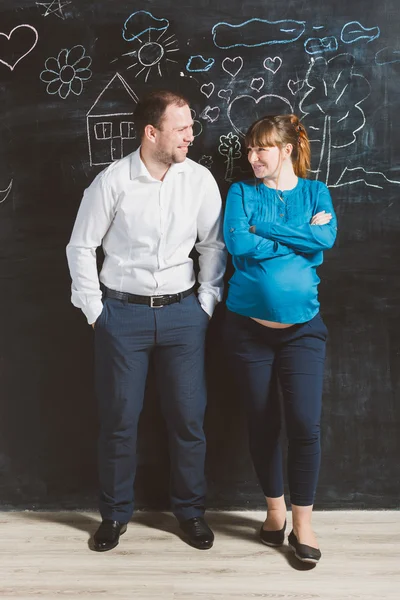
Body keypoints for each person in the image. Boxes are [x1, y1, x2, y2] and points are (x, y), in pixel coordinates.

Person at [66, 90, 226, 552]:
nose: (191, 136)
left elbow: (213, 246)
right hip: (122, 316)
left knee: (188, 419)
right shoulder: (112, 182)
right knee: (119, 420)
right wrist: (96, 313)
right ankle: (114, 516)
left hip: (183, 315)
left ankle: (191, 513)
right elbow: (80, 247)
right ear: (151, 132)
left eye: (191, 126)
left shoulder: (198, 180)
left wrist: (206, 302)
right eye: (182, 128)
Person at [223, 114, 337, 564]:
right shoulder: (240, 192)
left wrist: (264, 229)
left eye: (261, 149)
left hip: (303, 331)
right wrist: (301, 238)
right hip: (247, 329)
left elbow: (326, 238)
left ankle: (303, 523)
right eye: (250, 150)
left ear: (286, 150)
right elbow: (237, 245)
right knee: (263, 422)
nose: (253, 158)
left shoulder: (315, 192)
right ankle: (274, 514)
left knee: (305, 426)